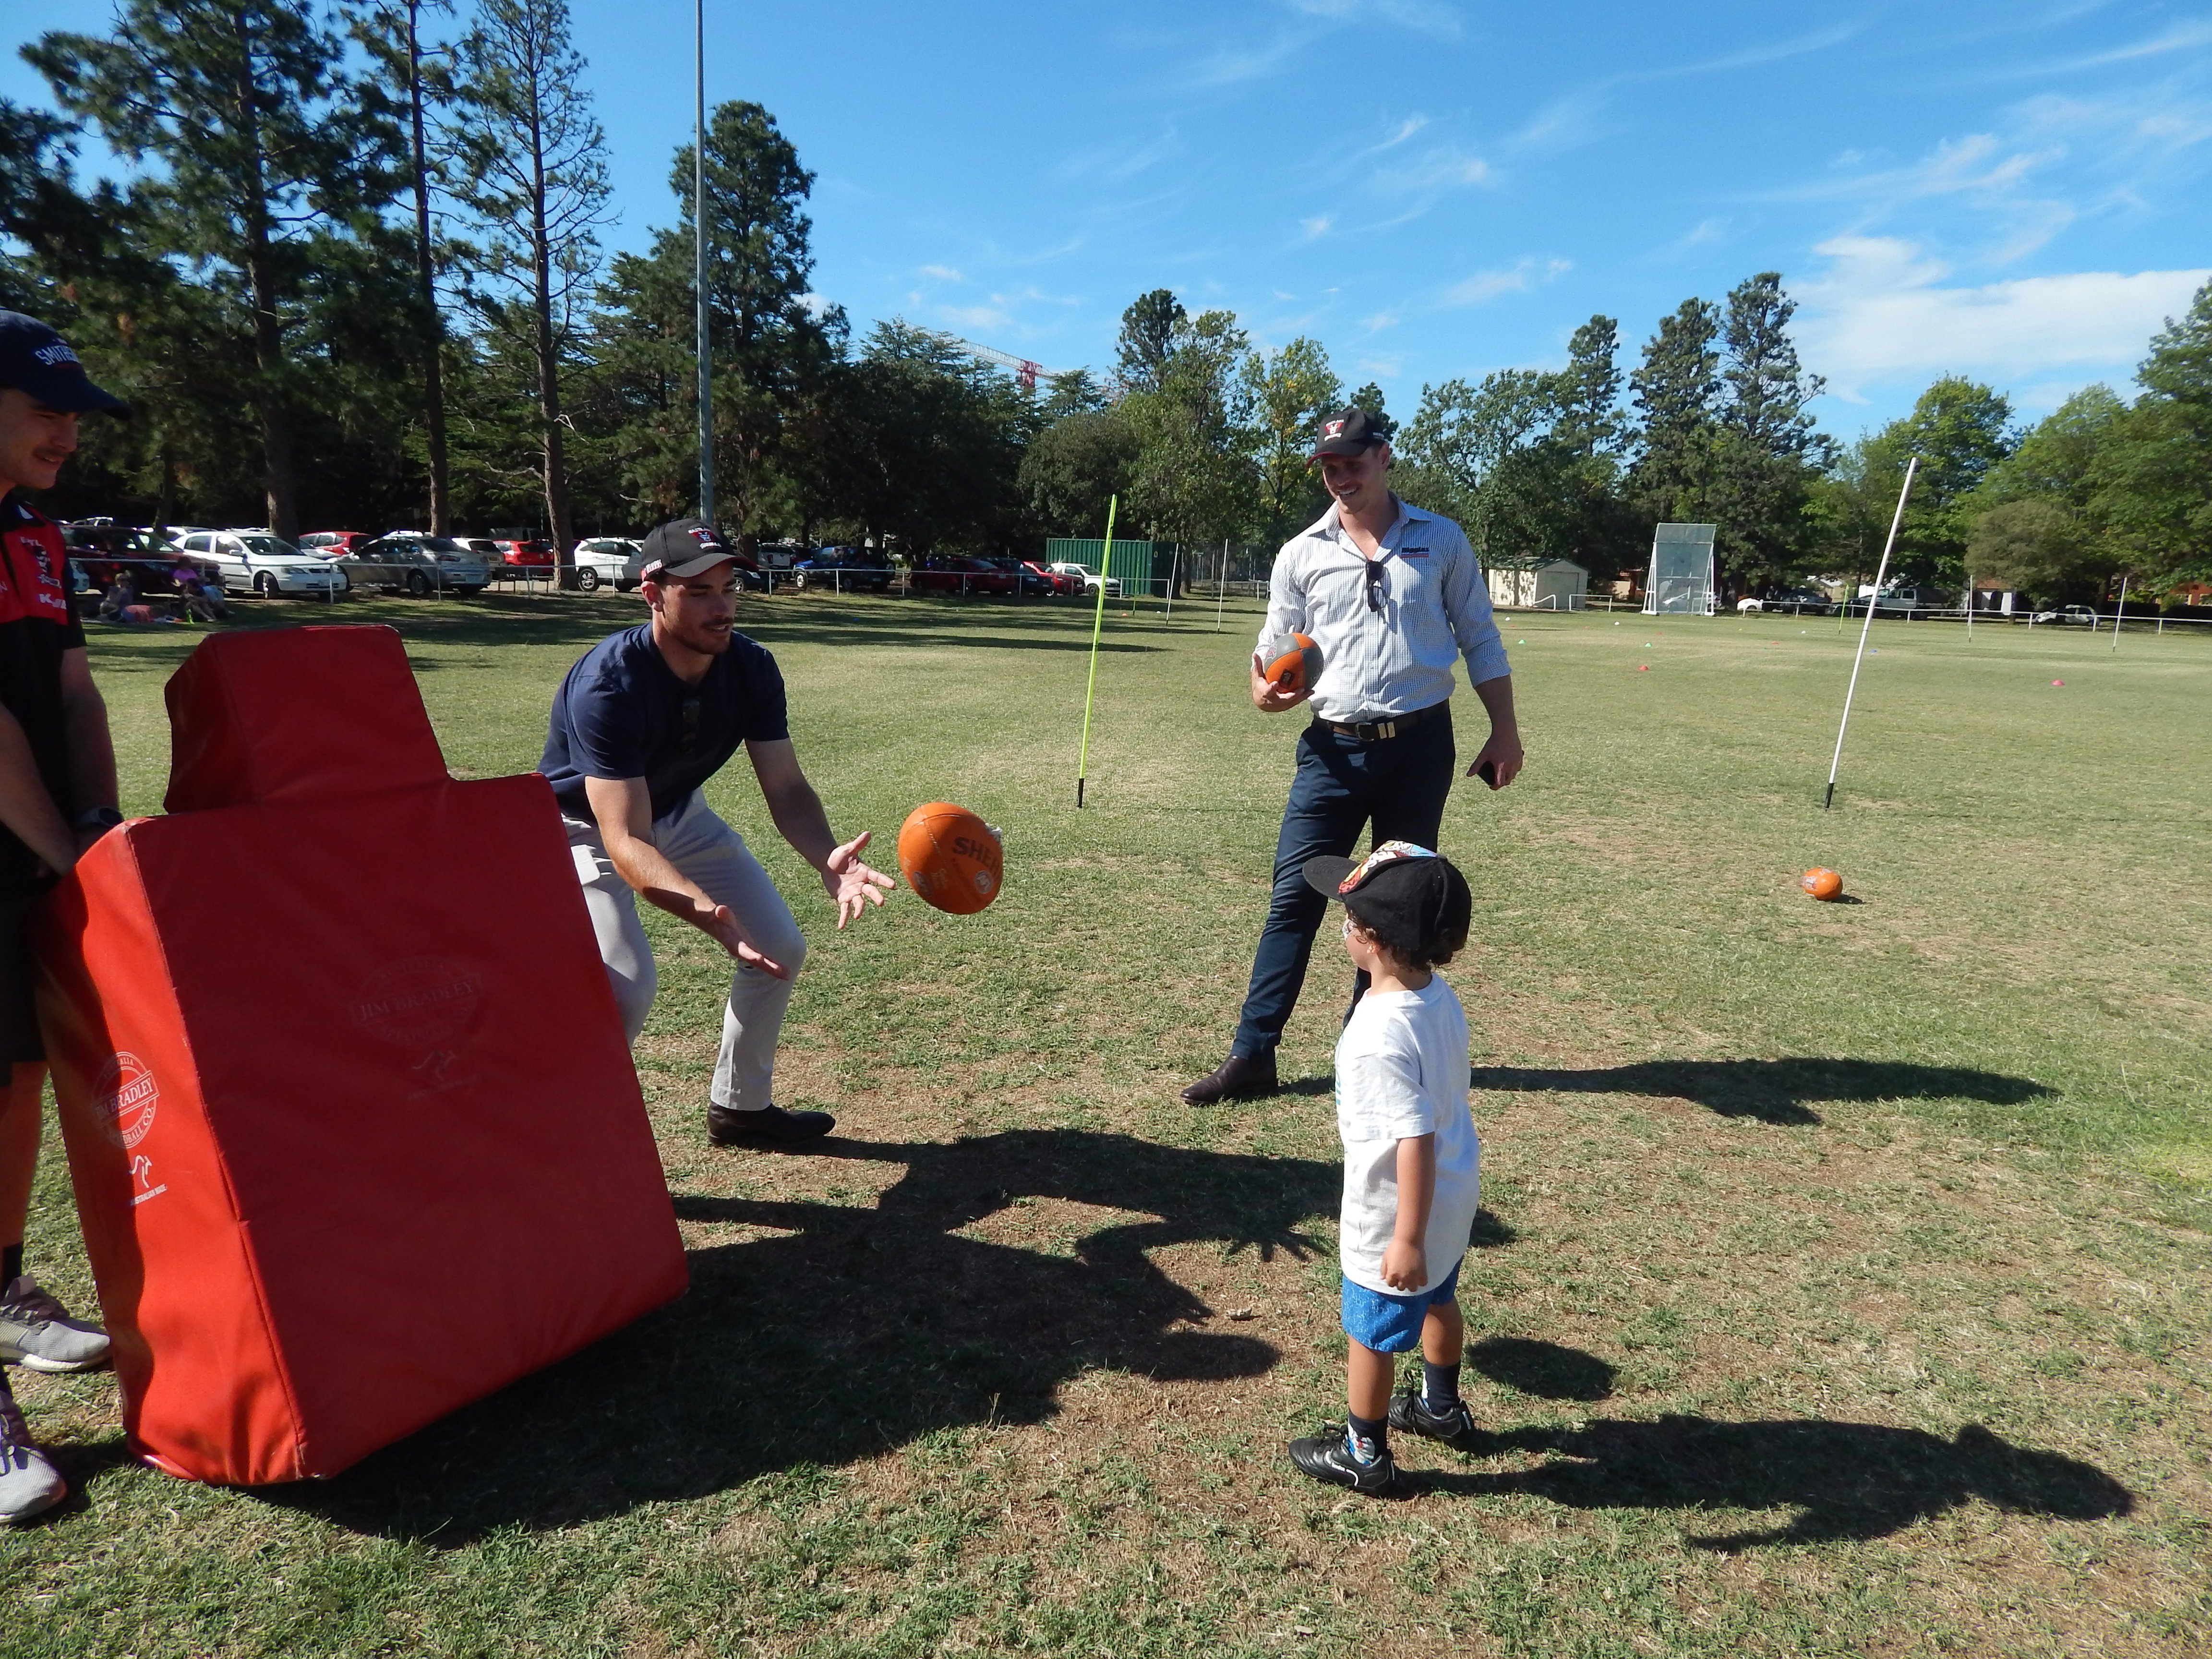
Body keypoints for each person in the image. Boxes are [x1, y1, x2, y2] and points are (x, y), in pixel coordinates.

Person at [1182, 408, 1525, 1105]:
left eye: (1353, 463)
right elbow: (1269, 659)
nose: (1341, 477)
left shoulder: (1442, 539)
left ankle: (1362, 1051)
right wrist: (1263, 695)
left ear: (1383, 457)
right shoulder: (1301, 553)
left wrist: (1506, 732)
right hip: (1332, 753)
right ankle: (1252, 1055)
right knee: (1293, 901)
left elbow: (1481, 638)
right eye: (1330, 467)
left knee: (1395, 912)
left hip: (1421, 746)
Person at [540, 518, 894, 1148]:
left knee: (780, 950)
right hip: (584, 829)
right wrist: (708, 914)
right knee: (624, 990)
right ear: (654, 595)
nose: (723, 606)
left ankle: (740, 1109)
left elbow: (785, 788)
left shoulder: (751, 667)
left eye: (729, 588)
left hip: (677, 813)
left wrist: (827, 859)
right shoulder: (609, 684)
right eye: (699, 592)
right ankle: (567, 1142)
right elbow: (624, 838)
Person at [0, 311, 130, 1523]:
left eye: (74, 410)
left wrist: (100, 825)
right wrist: (67, 852)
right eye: (45, 407)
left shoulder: (35, 531)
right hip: (13, 839)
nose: (69, 429)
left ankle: (1, 1293)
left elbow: (77, 690)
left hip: (32, 850)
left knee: (21, 1082)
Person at [1286, 842, 1484, 1494]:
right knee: (1442, 1300)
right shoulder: (1435, 995)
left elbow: (1414, 1138)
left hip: (1397, 1215)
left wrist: (1402, 1237)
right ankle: (1440, 1409)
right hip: (1453, 1200)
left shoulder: (1376, 1033)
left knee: (1369, 1336)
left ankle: (1364, 1454)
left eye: (1345, 922)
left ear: (1369, 939)